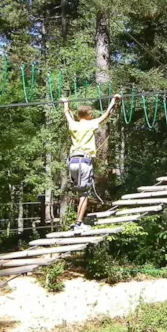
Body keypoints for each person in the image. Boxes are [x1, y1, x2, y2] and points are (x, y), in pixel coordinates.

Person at [62, 93, 122, 231]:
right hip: (84, 161)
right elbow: (106, 114)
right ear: (89, 115)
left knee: (80, 192)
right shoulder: (91, 123)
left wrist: (65, 102)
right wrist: (113, 100)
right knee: (84, 194)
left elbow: (67, 113)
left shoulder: (73, 124)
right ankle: (78, 224)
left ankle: (78, 221)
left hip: (73, 161)